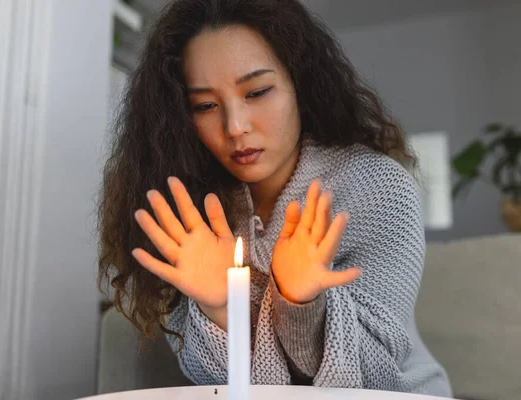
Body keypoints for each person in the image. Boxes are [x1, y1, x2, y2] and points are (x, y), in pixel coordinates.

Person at [98, 0, 452, 396]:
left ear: (300, 84)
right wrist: (218, 308)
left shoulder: (379, 189)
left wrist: (302, 304)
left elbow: (377, 374)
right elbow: (219, 383)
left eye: (258, 92)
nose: (235, 127)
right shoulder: (191, 202)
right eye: (205, 106)